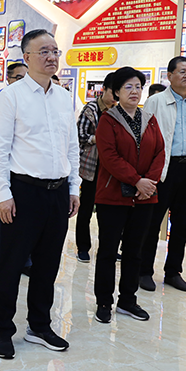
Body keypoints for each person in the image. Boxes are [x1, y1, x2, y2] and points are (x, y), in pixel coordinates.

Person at [0, 30, 79, 359]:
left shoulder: (63, 97)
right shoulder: (11, 96)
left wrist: (73, 187)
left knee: (48, 264)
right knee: (11, 265)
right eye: (44, 51)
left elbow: (72, 146)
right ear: (26, 57)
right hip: (23, 192)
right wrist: (2, 194)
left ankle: (39, 326)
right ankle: (2, 330)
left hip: (58, 192)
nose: (52, 57)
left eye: (55, 51)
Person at [92, 68, 165, 324]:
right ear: (116, 92)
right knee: (108, 251)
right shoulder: (108, 120)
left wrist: (149, 183)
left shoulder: (150, 119)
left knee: (135, 251)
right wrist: (137, 180)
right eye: (128, 87)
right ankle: (104, 302)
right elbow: (109, 157)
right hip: (112, 196)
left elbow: (160, 152)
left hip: (144, 197)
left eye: (138, 87)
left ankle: (127, 300)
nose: (135, 92)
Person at [138, 56, 186, 293]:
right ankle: (144, 271)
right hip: (161, 170)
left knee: (181, 225)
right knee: (152, 223)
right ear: (169, 76)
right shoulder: (156, 101)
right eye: (182, 71)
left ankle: (173, 272)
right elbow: (144, 138)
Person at [0, 61, 29, 278]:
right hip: (9, 169)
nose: (23, 82)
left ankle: (25, 261)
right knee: (2, 217)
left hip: (29, 172)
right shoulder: (5, 101)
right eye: (19, 78)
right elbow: (1, 143)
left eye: (26, 77)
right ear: (9, 80)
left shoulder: (32, 101)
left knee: (26, 220)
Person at [74, 75, 116, 263]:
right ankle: (83, 247)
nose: (114, 98)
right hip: (92, 166)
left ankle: (109, 248)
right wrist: (99, 139)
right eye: (112, 92)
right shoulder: (91, 109)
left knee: (109, 212)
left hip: (111, 169)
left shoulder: (117, 111)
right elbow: (80, 135)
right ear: (104, 89)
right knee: (86, 208)